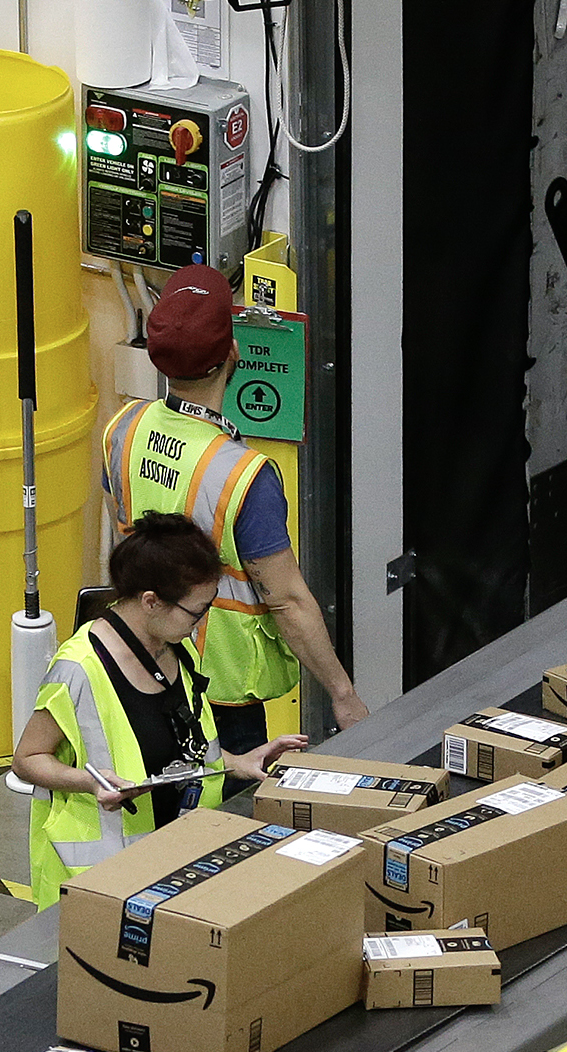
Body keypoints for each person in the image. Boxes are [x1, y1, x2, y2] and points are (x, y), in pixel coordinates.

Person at [101, 264, 368, 772]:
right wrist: (342, 693)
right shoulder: (244, 475)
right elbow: (287, 599)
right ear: (232, 354)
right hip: (222, 695)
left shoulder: (123, 428)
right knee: (225, 833)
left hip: (139, 664)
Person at [12, 512, 308, 906]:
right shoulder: (79, 669)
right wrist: (91, 783)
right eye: (196, 611)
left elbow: (180, 751)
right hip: (104, 884)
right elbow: (27, 758)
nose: (201, 624)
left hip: (176, 866)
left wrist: (238, 763)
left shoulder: (175, 649)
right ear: (151, 601)